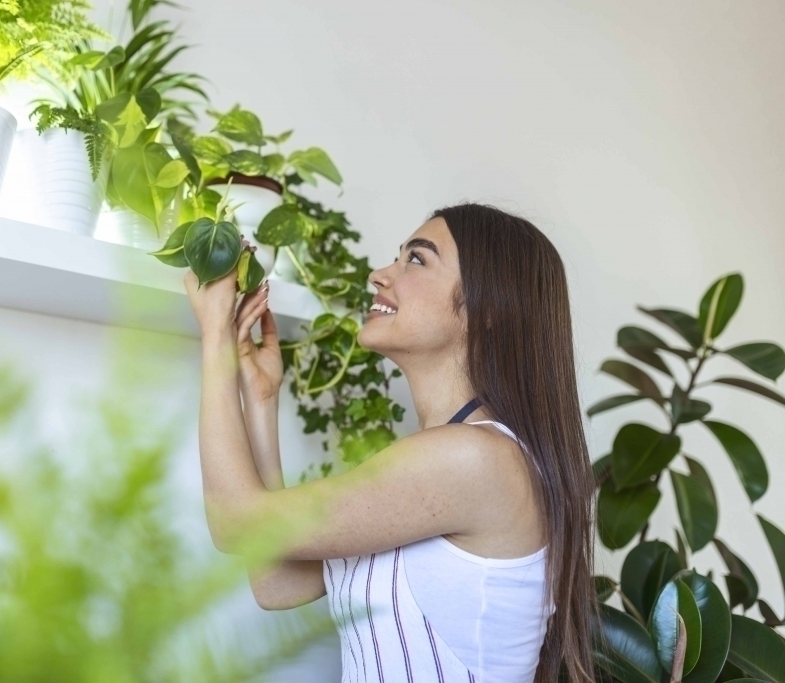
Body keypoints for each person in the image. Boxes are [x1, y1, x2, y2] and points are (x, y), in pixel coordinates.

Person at [184, 203, 596, 683]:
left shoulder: (475, 459)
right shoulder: (447, 461)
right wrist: (260, 399)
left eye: (416, 260)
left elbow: (236, 524)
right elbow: (278, 584)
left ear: (489, 310)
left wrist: (214, 336)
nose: (380, 275)